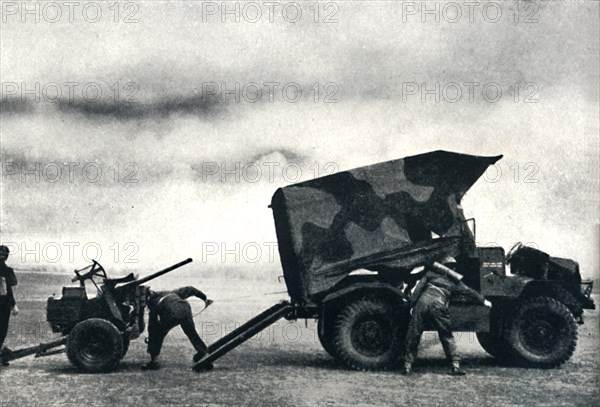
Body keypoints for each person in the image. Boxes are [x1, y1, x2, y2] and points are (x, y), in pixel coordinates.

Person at [402, 257, 491, 376]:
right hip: (439, 304)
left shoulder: (430, 275)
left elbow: (417, 290)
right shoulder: (455, 282)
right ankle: (455, 366)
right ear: (453, 267)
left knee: (414, 332)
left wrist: (411, 304)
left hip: (422, 303)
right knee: (446, 334)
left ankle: (408, 365)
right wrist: (484, 301)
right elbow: (470, 292)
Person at [142, 286, 213, 370]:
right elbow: (190, 289)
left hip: (171, 312)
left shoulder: (152, 303)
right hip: (185, 309)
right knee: (191, 333)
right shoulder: (173, 292)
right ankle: (202, 351)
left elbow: (152, 326)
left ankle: (154, 362)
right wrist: (204, 298)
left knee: (157, 335)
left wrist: (151, 338)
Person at [0, 245, 18, 367]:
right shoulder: (7, 270)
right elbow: (11, 287)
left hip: (4, 302)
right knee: (2, 329)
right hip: (3, 303)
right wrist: (14, 305)